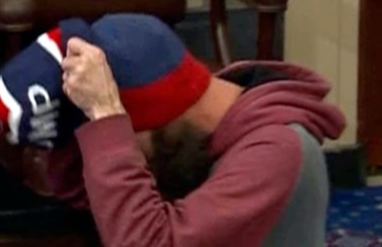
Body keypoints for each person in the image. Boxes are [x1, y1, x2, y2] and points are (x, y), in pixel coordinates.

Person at [44, 13, 346, 246]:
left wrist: (107, 121)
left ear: (159, 118)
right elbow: (90, 196)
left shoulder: (277, 151)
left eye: (129, 142)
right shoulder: (199, 132)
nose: (133, 159)